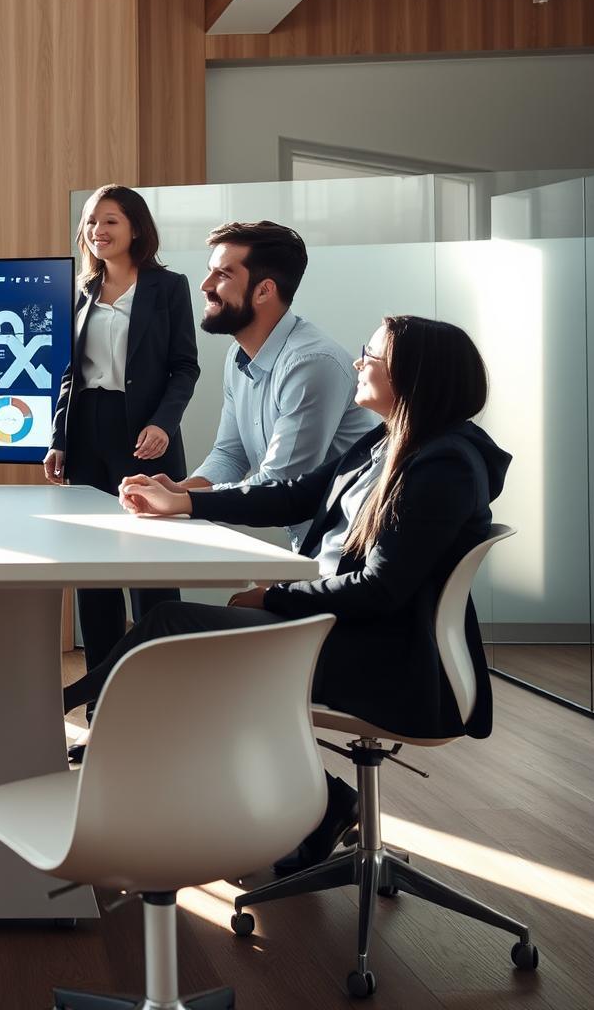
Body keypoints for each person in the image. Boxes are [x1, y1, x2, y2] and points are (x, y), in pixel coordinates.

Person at [67, 315, 508, 875]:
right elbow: (292, 496)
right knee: (184, 643)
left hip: (383, 654)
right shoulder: (391, 440)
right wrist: (185, 500)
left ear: (412, 374)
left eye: (369, 356)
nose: (357, 363)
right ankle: (315, 802)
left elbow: (382, 588)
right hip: (339, 629)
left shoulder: (443, 465)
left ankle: (57, 720)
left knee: (174, 628)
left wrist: (278, 596)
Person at [45, 185, 200, 702]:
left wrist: (164, 423)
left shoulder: (168, 287)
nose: (97, 231)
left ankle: (161, 694)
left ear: (135, 227)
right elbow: (70, 373)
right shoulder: (83, 290)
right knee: (94, 569)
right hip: (89, 430)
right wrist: (58, 438)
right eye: (90, 222)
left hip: (144, 433)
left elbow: (184, 368)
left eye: (109, 220)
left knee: (151, 565)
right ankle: (101, 698)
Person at [144, 220, 379, 548]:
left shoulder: (311, 363)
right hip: (314, 548)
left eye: (223, 274)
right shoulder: (237, 356)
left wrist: (185, 502)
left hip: (351, 554)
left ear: (265, 290)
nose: (205, 285)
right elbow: (230, 453)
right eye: (210, 271)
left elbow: (279, 484)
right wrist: (179, 489)